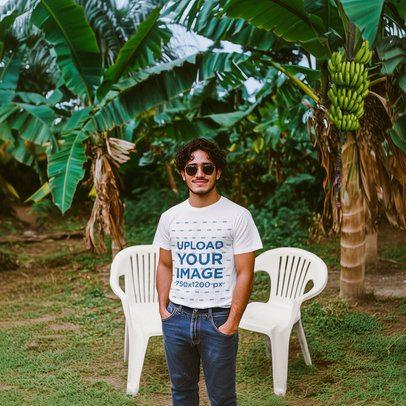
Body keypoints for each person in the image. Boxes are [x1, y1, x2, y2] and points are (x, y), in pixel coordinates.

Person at [153, 138, 263, 406]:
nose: (199, 174)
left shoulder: (238, 216)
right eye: (192, 168)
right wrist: (163, 309)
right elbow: (165, 264)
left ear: (218, 172)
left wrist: (232, 322)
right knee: (181, 391)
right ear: (183, 174)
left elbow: (246, 272)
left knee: (223, 398)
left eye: (207, 167)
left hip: (219, 317)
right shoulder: (170, 217)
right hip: (177, 315)